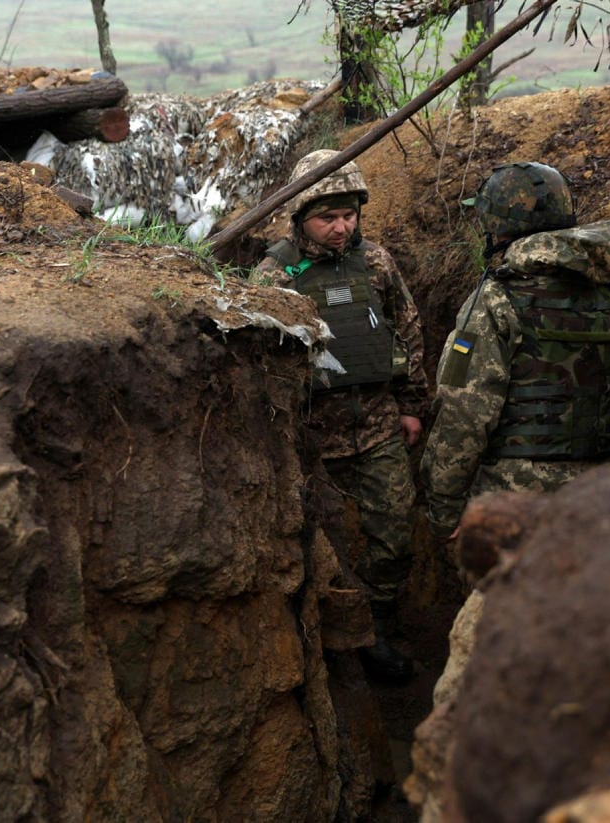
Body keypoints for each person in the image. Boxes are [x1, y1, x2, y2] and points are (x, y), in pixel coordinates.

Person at [255, 149, 430, 683]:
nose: (341, 228)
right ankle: (330, 635)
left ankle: (376, 622)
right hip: (312, 437)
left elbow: (408, 330)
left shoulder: (376, 262)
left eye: (349, 215)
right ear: (301, 216)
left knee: (395, 534)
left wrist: (412, 405)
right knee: (322, 543)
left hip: (377, 424)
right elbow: (261, 358)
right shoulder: (275, 272)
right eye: (328, 217)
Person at [421, 161, 610, 543]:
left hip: (513, 503)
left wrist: (444, 507)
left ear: (496, 226)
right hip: (596, 499)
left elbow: (461, 412)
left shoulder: (493, 302)